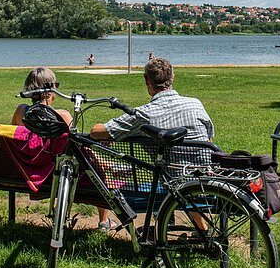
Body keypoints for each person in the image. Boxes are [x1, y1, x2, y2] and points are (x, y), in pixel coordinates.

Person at [91, 57, 215, 230]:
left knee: (164, 178)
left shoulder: (144, 114)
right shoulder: (196, 104)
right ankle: (202, 229)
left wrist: (107, 134)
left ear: (146, 80)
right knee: (184, 174)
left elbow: (96, 132)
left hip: (173, 184)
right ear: (172, 77)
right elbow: (209, 139)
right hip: (207, 182)